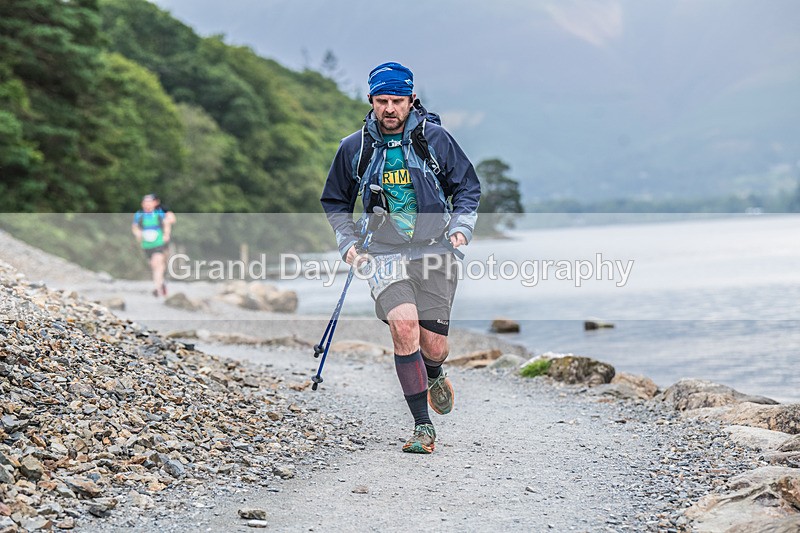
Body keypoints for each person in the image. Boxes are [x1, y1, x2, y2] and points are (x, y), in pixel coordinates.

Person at [321, 61, 481, 454]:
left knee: (434, 346)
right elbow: (335, 203)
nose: (389, 108)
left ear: (411, 100)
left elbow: (467, 190)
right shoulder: (354, 147)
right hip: (383, 253)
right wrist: (348, 244)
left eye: (396, 100)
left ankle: (436, 372)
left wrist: (462, 227)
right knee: (404, 327)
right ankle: (422, 428)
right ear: (371, 101)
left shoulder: (436, 139)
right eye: (381, 100)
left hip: (436, 250)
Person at [132, 194, 176, 297]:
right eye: (145, 202)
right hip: (146, 244)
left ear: (155, 203)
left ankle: (157, 287)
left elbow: (169, 221)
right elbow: (135, 227)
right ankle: (161, 283)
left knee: (157, 262)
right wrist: (138, 234)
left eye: (150, 202)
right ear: (142, 204)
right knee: (153, 265)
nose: (147, 205)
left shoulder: (160, 212)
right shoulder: (139, 215)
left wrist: (166, 234)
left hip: (159, 242)